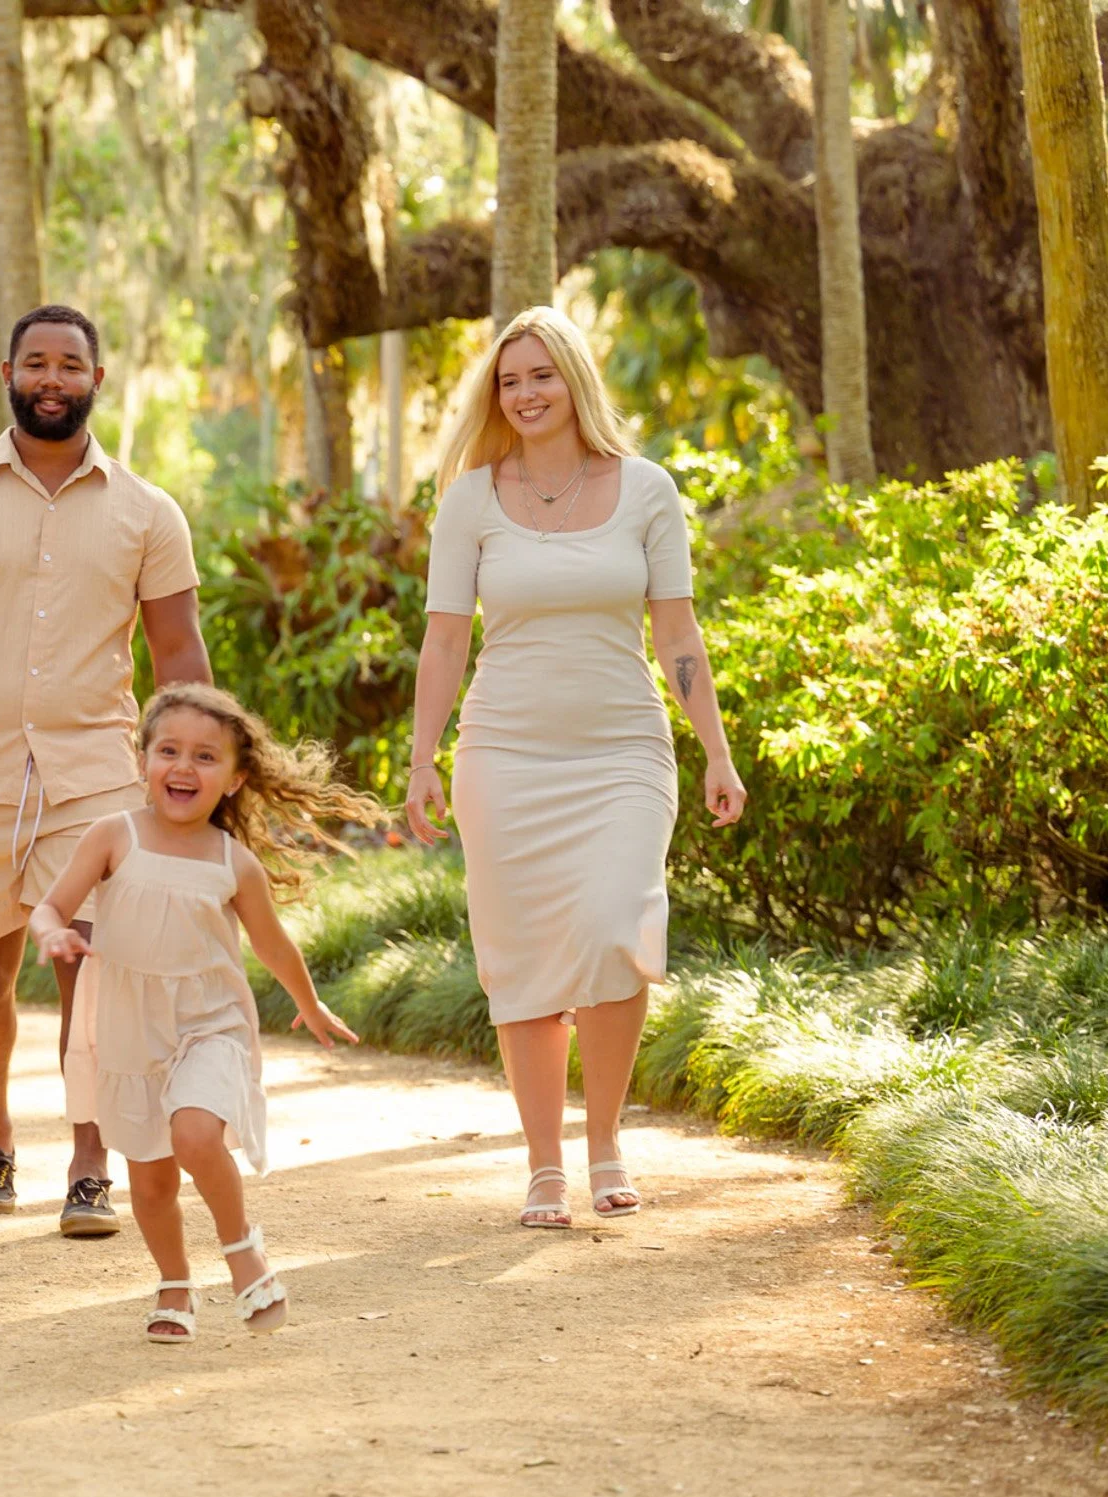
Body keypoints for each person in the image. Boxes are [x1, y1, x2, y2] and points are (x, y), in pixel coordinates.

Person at [0, 304, 213, 1233]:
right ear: (9, 373)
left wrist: (200, 771)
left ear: (97, 379)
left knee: (93, 971)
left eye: (70, 364)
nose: (52, 379)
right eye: (36, 363)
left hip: (98, 774)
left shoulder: (150, 511)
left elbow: (177, 647)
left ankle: (89, 1160)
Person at [404, 306, 747, 1229]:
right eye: (509, 381)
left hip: (622, 751)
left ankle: (606, 1141)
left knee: (612, 931)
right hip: (503, 753)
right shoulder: (471, 499)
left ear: (575, 382)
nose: (524, 394)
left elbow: (677, 632)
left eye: (540, 376)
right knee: (519, 957)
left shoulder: (646, 491)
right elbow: (443, 642)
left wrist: (715, 747)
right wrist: (421, 758)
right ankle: (545, 1166)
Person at [27, 683, 371, 1340]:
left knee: (194, 1135)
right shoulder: (112, 835)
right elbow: (51, 905)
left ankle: (242, 1249)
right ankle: (175, 1283)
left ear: (236, 778)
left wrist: (310, 1002)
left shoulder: (232, 862)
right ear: (143, 760)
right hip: (132, 1028)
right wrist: (52, 933)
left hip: (211, 1024)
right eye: (169, 750)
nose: (183, 767)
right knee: (151, 1185)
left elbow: (273, 944)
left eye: (205, 757)